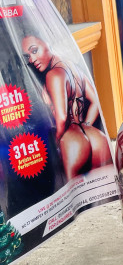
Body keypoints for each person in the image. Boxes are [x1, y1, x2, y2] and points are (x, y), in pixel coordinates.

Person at [20, 30, 111, 180]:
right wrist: (85, 126)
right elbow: (94, 100)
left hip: (71, 140)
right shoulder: (72, 66)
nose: (32, 59)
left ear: (48, 43)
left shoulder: (53, 75)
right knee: (99, 190)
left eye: (34, 51)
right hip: (97, 138)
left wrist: (56, 144)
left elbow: (61, 118)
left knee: (73, 193)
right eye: (28, 56)